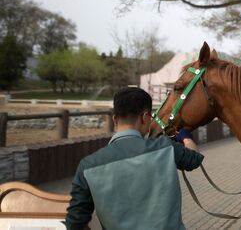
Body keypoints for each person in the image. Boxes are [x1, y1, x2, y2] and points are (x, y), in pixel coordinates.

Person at [65, 87, 204, 230]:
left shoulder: (88, 166)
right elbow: (194, 159)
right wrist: (185, 138)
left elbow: (75, 222)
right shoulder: (165, 147)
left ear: (114, 119)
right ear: (145, 117)